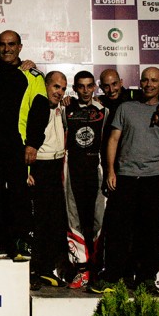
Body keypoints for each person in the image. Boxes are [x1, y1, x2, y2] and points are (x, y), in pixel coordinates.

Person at [89, 67, 159, 296]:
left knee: (150, 232)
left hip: (154, 178)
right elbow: (113, 140)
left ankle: (146, 279)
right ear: (139, 83)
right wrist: (111, 170)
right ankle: (112, 276)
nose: (149, 84)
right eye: (145, 80)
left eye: (154, 80)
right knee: (118, 230)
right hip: (126, 177)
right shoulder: (126, 107)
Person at [0, 30, 47, 262]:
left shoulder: (32, 76)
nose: (7, 49)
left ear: (20, 47)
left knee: (19, 195)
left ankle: (21, 241)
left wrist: (33, 144)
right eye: (3, 45)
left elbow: (40, 112)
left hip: (18, 145)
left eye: (11, 44)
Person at [63, 71, 108, 289]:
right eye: (81, 86)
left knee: (98, 221)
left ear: (94, 87)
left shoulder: (103, 110)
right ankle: (81, 270)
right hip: (72, 170)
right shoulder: (66, 109)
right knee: (74, 220)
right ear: (75, 88)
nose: (86, 91)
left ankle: (97, 269)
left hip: (95, 171)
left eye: (90, 86)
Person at [28, 71, 69, 289]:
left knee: (55, 222)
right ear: (45, 85)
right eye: (55, 86)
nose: (59, 92)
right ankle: (32, 271)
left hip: (57, 167)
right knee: (38, 222)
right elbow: (25, 138)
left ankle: (45, 269)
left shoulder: (63, 107)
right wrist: (27, 170)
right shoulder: (36, 104)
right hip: (39, 167)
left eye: (63, 88)